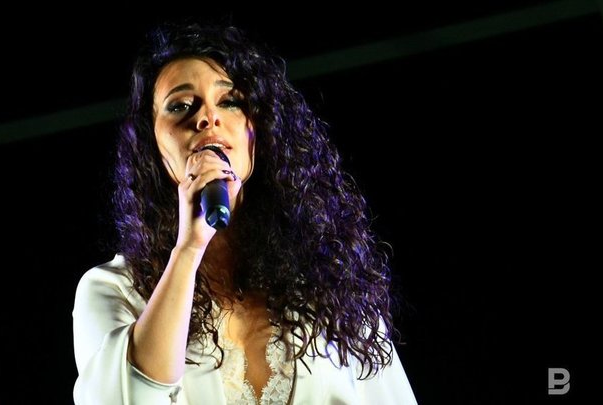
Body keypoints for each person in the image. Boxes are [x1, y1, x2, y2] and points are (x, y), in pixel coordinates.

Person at [72, 20, 417, 405]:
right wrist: (189, 249)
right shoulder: (112, 290)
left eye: (229, 101)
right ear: (152, 146)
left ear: (257, 130)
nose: (208, 117)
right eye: (181, 106)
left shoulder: (330, 283)